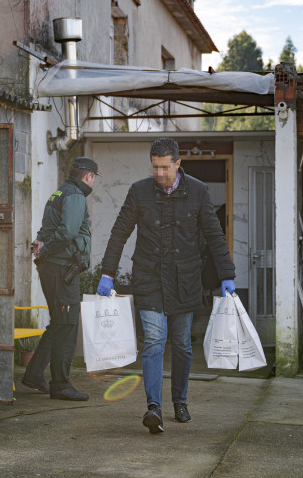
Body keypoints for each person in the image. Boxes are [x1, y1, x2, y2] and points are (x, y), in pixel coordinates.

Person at [96, 138, 235, 433]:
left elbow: (214, 235)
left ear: (177, 164)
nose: (159, 174)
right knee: (155, 342)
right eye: (155, 167)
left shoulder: (198, 191)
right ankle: (153, 407)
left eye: (164, 167)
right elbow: (120, 232)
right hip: (149, 278)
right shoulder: (140, 191)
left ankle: (180, 401)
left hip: (185, 280)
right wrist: (108, 272)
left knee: (182, 346)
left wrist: (227, 274)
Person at [21, 156, 99, 401]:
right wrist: (45, 248)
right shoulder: (75, 195)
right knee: (67, 325)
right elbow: (68, 232)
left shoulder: (59, 192)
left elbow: (51, 229)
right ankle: (61, 385)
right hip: (62, 268)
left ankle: (34, 373)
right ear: (89, 177)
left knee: (59, 322)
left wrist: (43, 246)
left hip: (53, 267)